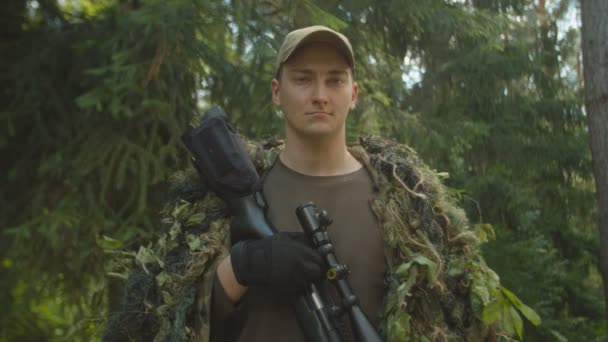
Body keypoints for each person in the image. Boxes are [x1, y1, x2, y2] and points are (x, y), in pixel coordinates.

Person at [104, 25, 500, 342]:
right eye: (303, 79)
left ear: (354, 94)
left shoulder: (408, 204)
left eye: (335, 81)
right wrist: (240, 269)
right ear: (277, 92)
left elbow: (454, 321)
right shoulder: (221, 195)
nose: (320, 95)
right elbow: (162, 318)